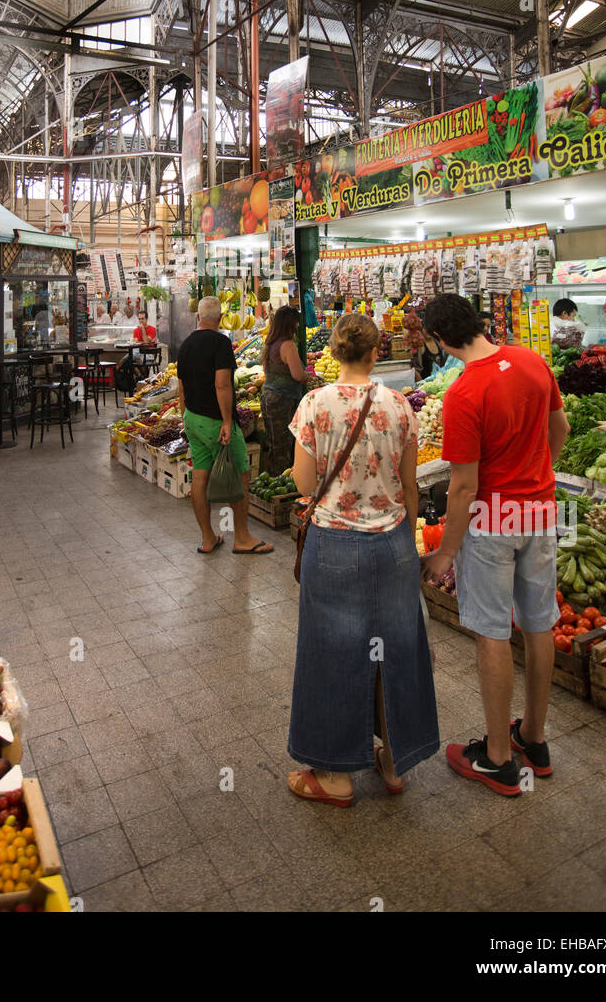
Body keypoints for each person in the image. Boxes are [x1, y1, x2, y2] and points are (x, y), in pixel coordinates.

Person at [286, 313, 438, 807]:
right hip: (393, 543)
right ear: (375, 354)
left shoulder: (314, 404)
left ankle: (335, 777)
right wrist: (408, 536)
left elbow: (305, 485)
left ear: (333, 351)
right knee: (396, 650)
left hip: (333, 545)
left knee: (333, 654)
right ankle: (394, 764)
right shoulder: (399, 406)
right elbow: (411, 485)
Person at [421, 294, 570, 796]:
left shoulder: (465, 393)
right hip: (542, 512)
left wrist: (444, 554)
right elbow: (561, 430)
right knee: (539, 622)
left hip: (492, 523)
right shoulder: (532, 360)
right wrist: (534, 474)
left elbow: (463, 487)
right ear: (480, 323)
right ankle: (534, 737)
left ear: (438, 339)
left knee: (491, 632)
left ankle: (499, 759)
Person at [176, 296, 273, 557]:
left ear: (198, 317)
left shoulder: (185, 345)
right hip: (215, 421)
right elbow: (222, 384)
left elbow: (181, 387)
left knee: (200, 477)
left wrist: (185, 417)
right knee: (240, 473)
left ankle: (208, 538)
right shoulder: (220, 343)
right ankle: (241, 538)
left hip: (193, 419)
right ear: (219, 319)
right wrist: (228, 422)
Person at [260, 305, 307, 474]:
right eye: (296, 322)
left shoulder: (270, 343)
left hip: (269, 397)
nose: (297, 326)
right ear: (290, 324)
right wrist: (308, 375)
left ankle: (273, 480)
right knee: (284, 446)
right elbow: (298, 375)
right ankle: (282, 481)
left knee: (275, 443)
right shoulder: (288, 346)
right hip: (283, 400)